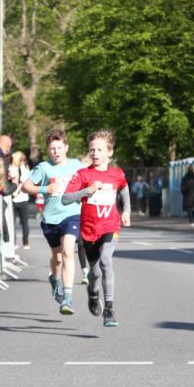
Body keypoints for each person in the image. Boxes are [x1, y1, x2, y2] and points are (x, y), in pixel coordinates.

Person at [62, 129, 130, 328]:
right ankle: (93, 293)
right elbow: (66, 198)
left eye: (100, 150)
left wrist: (126, 210)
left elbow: (124, 188)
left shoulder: (116, 174)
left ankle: (109, 310)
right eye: (92, 150)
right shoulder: (83, 174)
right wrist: (86, 191)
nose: (95, 153)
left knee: (106, 260)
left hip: (110, 226)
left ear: (109, 152)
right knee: (95, 273)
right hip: (89, 230)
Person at [22, 129, 83, 315]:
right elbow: (25, 186)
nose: (56, 151)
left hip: (72, 214)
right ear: (48, 150)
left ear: (66, 147)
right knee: (57, 258)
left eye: (59, 147)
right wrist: (44, 188)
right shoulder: (44, 167)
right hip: (50, 218)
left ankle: (67, 297)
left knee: (67, 252)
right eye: (52, 148)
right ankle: (55, 279)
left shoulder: (76, 165)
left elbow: (89, 183)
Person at [9, 150, 31, 249]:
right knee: (24, 222)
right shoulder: (26, 170)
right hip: (24, 199)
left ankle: (13, 242)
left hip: (13, 198)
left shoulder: (11, 168)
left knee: (12, 222)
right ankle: (26, 243)